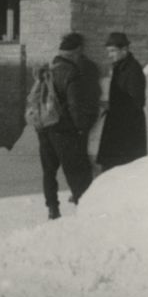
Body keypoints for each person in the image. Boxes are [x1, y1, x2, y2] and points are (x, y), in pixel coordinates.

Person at [38, 32, 102, 219]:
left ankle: (52, 209)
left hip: (44, 126)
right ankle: (85, 210)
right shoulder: (71, 72)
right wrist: (81, 127)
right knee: (76, 172)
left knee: (49, 171)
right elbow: (74, 105)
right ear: (75, 52)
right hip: (63, 130)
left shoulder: (48, 68)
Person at [96, 31, 148, 172]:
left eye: (113, 51)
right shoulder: (119, 67)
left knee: (123, 169)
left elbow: (137, 102)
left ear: (124, 50)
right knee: (111, 167)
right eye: (108, 51)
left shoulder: (132, 70)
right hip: (118, 125)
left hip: (127, 130)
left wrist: (115, 107)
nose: (109, 55)